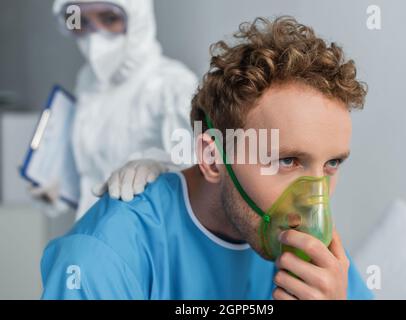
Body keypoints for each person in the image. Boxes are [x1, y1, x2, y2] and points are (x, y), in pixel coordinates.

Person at [40, 16, 373, 300]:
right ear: (214, 158)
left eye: (332, 164)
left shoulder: (316, 262)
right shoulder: (103, 257)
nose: (313, 203)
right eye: (287, 161)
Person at [30, 0, 197, 220]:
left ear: (137, 17)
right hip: (91, 229)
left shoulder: (173, 84)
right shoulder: (88, 82)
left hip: (148, 236)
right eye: (81, 21)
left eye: (110, 18)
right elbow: (91, 170)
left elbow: (197, 177)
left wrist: (160, 166)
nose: (95, 35)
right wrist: (58, 188)